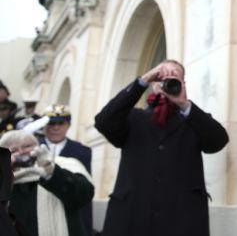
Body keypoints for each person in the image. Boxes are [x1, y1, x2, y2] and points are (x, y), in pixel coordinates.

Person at [94, 59, 228, 236]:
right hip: (132, 218)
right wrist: (143, 80)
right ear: (152, 84)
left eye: (174, 77)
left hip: (181, 221)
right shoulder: (132, 118)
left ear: (183, 84)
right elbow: (103, 121)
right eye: (161, 77)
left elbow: (218, 141)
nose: (166, 81)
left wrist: (184, 104)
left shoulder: (194, 120)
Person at [0, 130, 93, 236]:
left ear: (38, 146)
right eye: (13, 150)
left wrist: (51, 171)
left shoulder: (65, 164)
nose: (21, 152)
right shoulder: (5, 175)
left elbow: (84, 194)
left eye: (27, 146)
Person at [39, 105, 92, 235]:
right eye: (51, 123)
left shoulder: (82, 152)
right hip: (39, 210)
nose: (55, 127)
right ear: (44, 126)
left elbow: (84, 189)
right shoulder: (32, 146)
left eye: (60, 123)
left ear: (68, 125)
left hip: (69, 212)